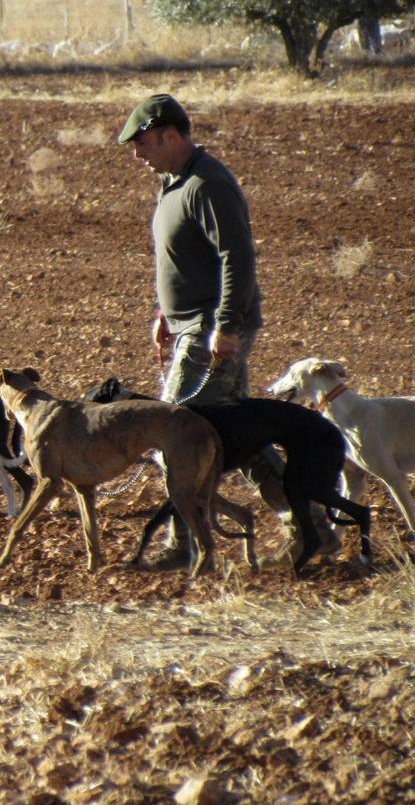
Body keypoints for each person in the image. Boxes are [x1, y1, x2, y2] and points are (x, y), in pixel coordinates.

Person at [118, 93, 339, 567]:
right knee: (239, 437)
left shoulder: (209, 182)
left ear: (170, 135)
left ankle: (185, 545)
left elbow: (236, 258)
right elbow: (184, 259)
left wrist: (226, 326)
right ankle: (310, 529)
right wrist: (165, 314)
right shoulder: (172, 181)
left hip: (210, 330)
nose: (137, 153)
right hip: (190, 325)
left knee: (177, 432)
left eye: (142, 143)